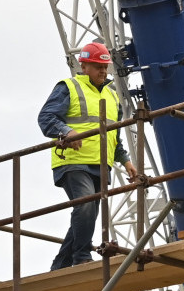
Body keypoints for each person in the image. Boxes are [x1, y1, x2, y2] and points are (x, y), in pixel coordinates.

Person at [38, 42, 138, 270]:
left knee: (88, 212)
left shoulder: (113, 98)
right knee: (85, 206)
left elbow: (115, 136)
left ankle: (60, 265)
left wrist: (125, 161)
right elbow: (46, 118)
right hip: (74, 161)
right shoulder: (69, 87)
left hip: (102, 164)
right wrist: (67, 132)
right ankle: (82, 256)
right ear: (84, 67)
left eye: (105, 67)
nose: (103, 71)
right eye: (97, 67)